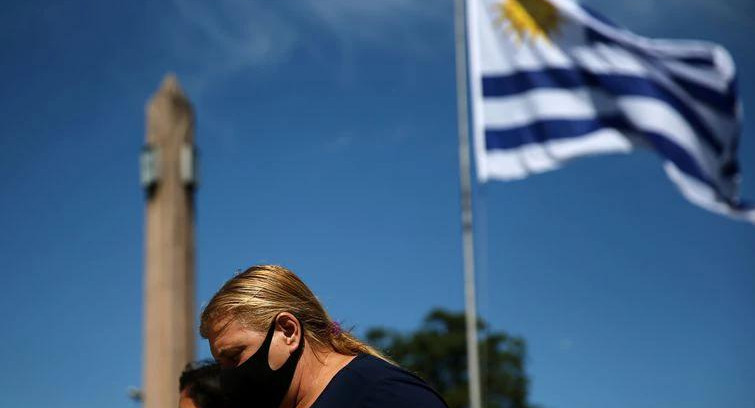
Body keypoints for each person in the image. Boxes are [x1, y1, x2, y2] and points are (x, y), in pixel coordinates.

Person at [200, 264, 449, 408]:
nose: (228, 378)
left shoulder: (383, 396)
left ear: (288, 331)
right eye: (221, 365)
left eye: (234, 356)